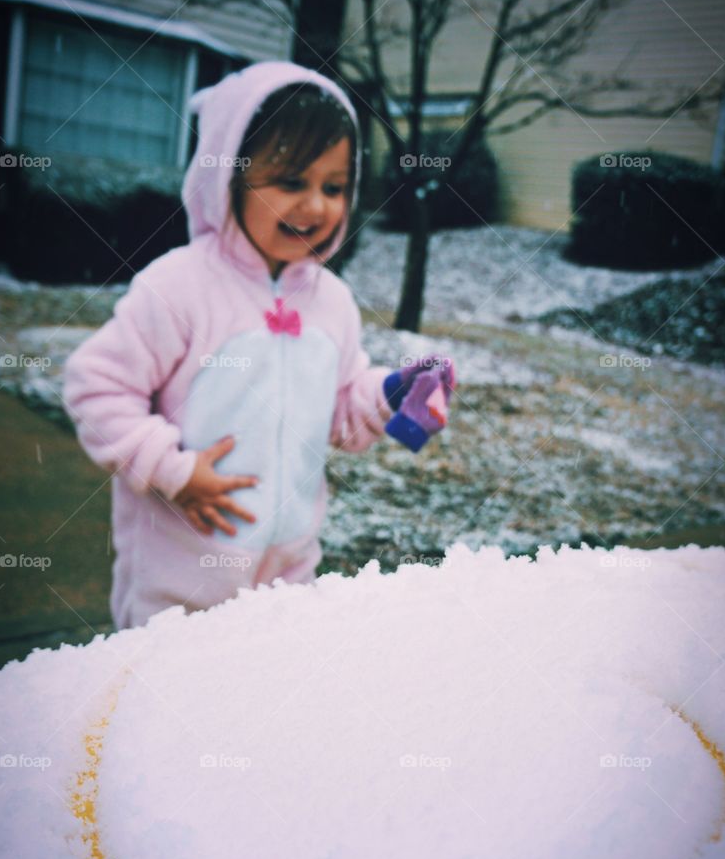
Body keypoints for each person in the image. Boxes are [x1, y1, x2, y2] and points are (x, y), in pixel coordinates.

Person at [63, 61, 455, 630]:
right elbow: (96, 387)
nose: (316, 206)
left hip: (288, 579)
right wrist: (171, 469)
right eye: (290, 182)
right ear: (228, 180)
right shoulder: (180, 286)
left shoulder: (333, 303)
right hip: (179, 588)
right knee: (167, 709)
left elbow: (340, 412)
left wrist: (389, 394)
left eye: (334, 187)